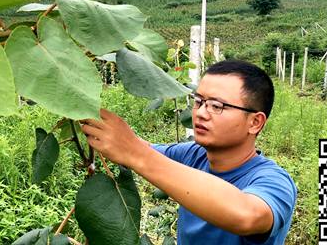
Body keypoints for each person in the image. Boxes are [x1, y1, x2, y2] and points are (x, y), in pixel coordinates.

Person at [80, 60, 297, 245]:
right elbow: (142, 149)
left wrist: (135, 153)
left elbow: (248, 215)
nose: (201, 113)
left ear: (255, 122)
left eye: (217, 105)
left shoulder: (274, 181)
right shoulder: (193, 155)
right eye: (199, 101)